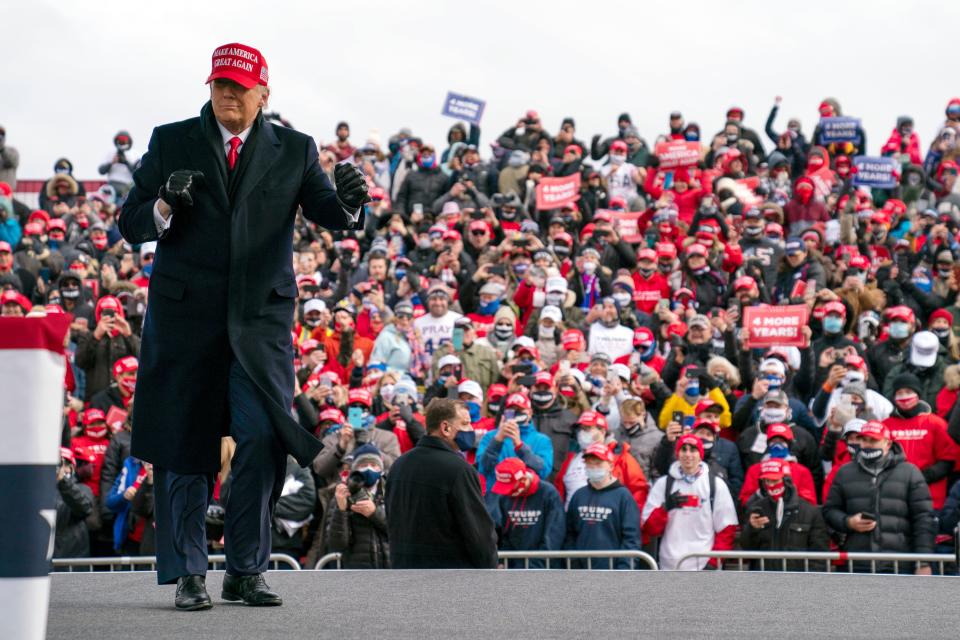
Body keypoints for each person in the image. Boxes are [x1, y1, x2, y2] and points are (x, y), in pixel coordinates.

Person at [117, 42, 369, 610]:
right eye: (218, 83)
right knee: (185, 445)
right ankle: (186, 573)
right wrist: (162, 206)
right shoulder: (170, 139)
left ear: (263, 93)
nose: (227, 93)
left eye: (238, 85)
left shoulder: (295, 149)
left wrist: (352, 205)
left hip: (260, 324)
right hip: (186, 321)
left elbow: (329, 212)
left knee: (260, 437)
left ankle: (246, 570)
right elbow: (131, 223)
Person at [385, 398, 498, 568]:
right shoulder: (459, 470)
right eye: (465, 423)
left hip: (403, 572)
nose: (471, 430)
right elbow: (478, 533)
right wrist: (489, 567)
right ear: (445, 428)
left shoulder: (399, 465)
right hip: (449, 577)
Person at [822, 421, 936, 574]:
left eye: (873, 440)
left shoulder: (910, 472)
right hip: (857, 563)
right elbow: (830, 511)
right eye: (863, 440)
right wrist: (848, 522)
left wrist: (923, 562)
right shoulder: (844, 472)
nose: (867, 444)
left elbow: (923, 519)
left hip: (899, 563)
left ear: (888, 444)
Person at [641, 434, 738, 570]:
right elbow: (649, 528)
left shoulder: (715, 484)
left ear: (700, 454)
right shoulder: (663, 484)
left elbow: (727, 529)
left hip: (703, 566)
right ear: (677, 453)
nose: (688, 454)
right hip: (669, 565)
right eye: (684, 449)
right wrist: (664, 508)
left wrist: (713, 563)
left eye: (693, 450)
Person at [740, 458, 829, 571]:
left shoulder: (809, 511)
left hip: (798, 582)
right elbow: (747, 549)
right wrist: (752, 529)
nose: (770, 485)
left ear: (787, 480)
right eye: (767, 481)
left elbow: (819, 555)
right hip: (763, 580)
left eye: (775, 481)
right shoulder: (756, 509)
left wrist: (810, 583)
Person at [563, 443, 641, 569]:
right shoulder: (579, 495)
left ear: (610, 466)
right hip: (581, 572)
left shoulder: (624, 497)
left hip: (613, 571)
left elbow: (631, 539)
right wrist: (573, 563)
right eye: (589, 463)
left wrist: (624, 570)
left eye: (598, 463)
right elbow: (570, 534)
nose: (593, 468)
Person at [486, 457, 565, 569]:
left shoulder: (548, 494)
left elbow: (554, 536)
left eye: (510, 486)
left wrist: (533, 567)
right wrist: (504, 561)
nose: (508, 491)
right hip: (514, 568)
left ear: (522, 480)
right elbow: (505, 535)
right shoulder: (505, 496)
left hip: (543, 568)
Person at [326, 444, 389, 569]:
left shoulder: (392, 492)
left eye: (373, 465)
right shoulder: (343, 495)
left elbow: (400, 532)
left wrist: (374, 513)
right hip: (357, 571)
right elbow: (336, 544)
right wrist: (341, 510)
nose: (369, 469)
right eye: (363, 465)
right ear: (355, 470)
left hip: (390, 568)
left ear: (381, 469)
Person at [54, 448, 94, 558]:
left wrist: (63, 482)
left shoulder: (83, 489)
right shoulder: (39, 492)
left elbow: (85, 508)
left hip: (71, 562)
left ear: (71, 468)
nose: (57, 468)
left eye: (63, 464)